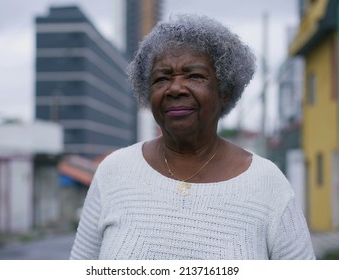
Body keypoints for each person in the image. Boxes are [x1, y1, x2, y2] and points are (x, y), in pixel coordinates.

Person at [70, 14, 315, 260]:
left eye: (195, 76)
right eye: (162, 78)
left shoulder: (267, 184)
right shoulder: (113, 172)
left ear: (225, 92)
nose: (175, 88)